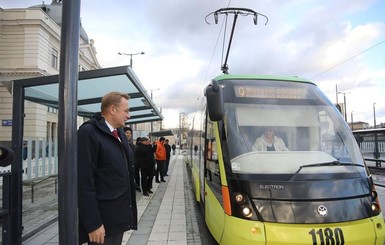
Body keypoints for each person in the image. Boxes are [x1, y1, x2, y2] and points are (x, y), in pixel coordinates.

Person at [77, 92, 137, 245]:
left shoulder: (120, 134)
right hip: (102, 221)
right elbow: (83, 182)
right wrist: (93, 224)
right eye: (126, 111)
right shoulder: (89, 133)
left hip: (117, 216)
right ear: (112, 109)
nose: (128, 116)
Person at [124, 126, 141, 192]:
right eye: (126, 132)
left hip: (132, 168)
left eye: (130, 133)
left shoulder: (131, 144)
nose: (128, 134)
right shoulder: (120, 143)